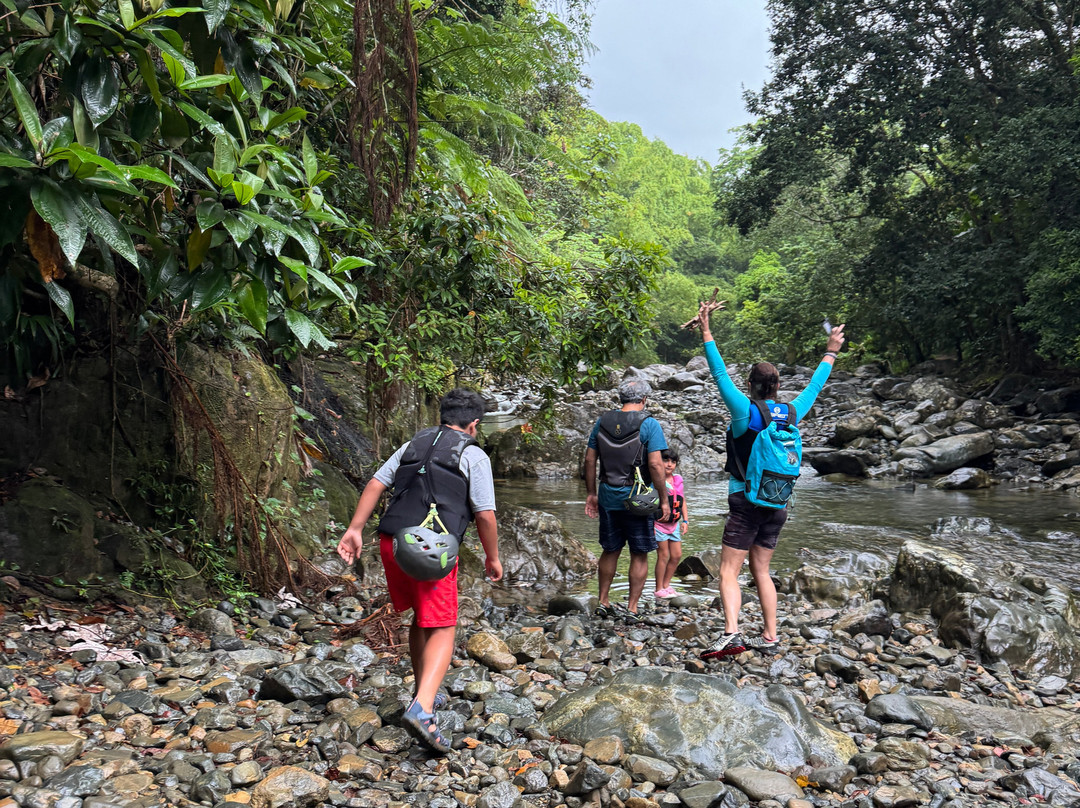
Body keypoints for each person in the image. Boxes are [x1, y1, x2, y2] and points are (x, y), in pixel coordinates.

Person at [336, 388, 502, 753]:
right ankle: (423, 709)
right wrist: (492, 557)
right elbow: (486, 514)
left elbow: (377, 483)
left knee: (421, 618)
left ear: (443, 416)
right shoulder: (473, 454)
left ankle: (420, 690)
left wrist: (355, 529)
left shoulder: (415, 443)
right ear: (474, 425)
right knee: (444, 624)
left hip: (392, 542)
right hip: (431, 550)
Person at [695, 302, 845, 659]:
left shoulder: (743, 410)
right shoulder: (794, 411)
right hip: (778, 502)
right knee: (761, 568)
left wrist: (706, 330)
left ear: (750, 385)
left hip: (745, 500)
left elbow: (718, 374)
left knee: (729, 570)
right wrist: (831, 351)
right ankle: (770, 635)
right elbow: (815, 385)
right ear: (778, 387)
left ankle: (731, 633)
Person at [584, 379, 670, 620]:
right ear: (644, 400)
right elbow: (655, 464)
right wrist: (664, 499)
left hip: (608, 494)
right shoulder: (650, 424)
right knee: (639, 552)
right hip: (639, 498)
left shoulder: (602, 421)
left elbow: (590, 460)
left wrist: (591, 493)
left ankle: (603, 601)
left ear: (621, 398)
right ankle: (632, 608)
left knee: (610, 549)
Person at [653, 447, 688, 598]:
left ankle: (667, 585)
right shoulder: (655, 480)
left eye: (673, 462)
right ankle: (659, 588)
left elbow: (682, 501)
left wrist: (685, 520)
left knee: (676, 555)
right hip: (659, 524)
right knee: (663, 555)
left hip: (673, 524)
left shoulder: (678, 480)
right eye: (665, 460)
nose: (669, 464)